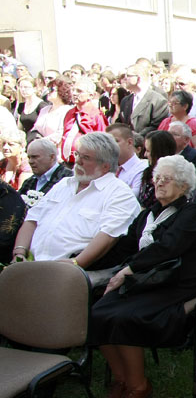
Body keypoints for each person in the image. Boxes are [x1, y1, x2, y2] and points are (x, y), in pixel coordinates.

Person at [89, 154, 196, 398]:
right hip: (142, 281)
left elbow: (168, 248)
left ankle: (139, 386)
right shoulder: (149, 214)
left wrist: (128, 271)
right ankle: (122, 379)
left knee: (124, 318)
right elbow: (125, 247)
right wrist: (83, 262)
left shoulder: (191, 213)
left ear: (184, 185)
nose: (160, 183)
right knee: (96, 313)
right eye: (157, 178)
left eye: (167, 179)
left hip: (173, 283)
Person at [12, 132, 140, 267]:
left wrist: (76, 263)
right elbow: (32, 219)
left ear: (105, 166)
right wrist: (19, 252)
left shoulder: (120, 194)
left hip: (77, 272)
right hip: (32, 264)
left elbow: (108, 237)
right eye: (77, 154)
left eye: (86, 157)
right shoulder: (64, 184)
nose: (78, 161)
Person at [60, 76, 108, 166]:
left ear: (91, 95)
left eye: (79, 91)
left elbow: (104, 143)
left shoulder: (96, 115)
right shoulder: (70, 113)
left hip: (86, 164)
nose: (74, 93)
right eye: (73, 90)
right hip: (66, 163)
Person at [119, 64, 168, 135]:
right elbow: (120, 123)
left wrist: (136, 138)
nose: (124, 79)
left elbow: (156, 127)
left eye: (128, 76)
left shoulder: (158, 100)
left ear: (138, 79)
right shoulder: (125, 101)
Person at [168, 121, 196, 197]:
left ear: (186, 140)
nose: (169, 137)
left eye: (174, 134)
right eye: (168, 134)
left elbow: (194, 184)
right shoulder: (165, 156)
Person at [138, 130, 177, 208]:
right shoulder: (148, 173)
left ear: (159, 152)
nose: (145, 155)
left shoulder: (179, 176)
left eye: (148, 151)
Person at [31, 77, 74, 147]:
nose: (48, 92)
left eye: (51, 90)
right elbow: (35, 129)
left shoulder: (68, 111)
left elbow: (61, 134)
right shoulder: (44, 110)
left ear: (61, 91)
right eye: (48, 89)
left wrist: (41, 142)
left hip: (56, 151)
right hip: (39, 149)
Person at [107, 124, 148, 197]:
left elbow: (131, 197)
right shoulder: (106, 168)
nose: (110, 146)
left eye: (115, 141)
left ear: (129, 142)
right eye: (108, 142)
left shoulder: (142, 168)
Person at [13, 76, 49, 141]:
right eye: (21, 87)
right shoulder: (21, 106)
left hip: (38, 139)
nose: (23, 90)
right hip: (26, 140)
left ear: (34, 88)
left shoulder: (42, 106)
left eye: (26, 87)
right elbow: (19, 128)